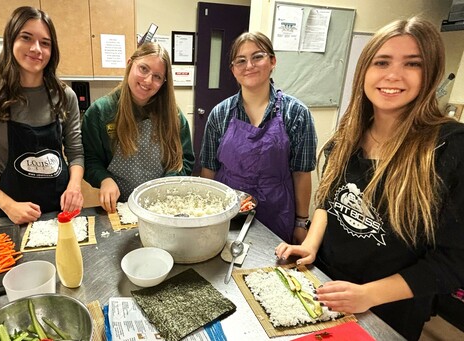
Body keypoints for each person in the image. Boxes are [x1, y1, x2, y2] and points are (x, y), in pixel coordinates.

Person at [274, 17, 464, 341]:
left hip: (389, 312)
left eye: (412, 64)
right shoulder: (347, 138)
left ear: (430, 72)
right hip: (324, 287)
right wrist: (310, 244)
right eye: (382, 62)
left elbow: (452, 263)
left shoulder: (449, 148)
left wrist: (368, 295)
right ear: (365, 70)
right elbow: (328, 200)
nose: (392, 75)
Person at [0, 6, 84, 224]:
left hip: (62, 210)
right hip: (14, 213)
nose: (36, 49)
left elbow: (75, 153)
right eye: (26, 38)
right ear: (10, 41)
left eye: (45, 43)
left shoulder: (65, 96)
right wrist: (9, 206)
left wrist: (74, 187)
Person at [199, 32, 317, 244]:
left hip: (277, 211)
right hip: (228, 211)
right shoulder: (220, 114)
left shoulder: (297, 113)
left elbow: (301, 173)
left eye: (257, 57)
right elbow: (209, 169)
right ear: (233, 70)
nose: (249, 65)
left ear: (272, 61)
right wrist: (207, 216)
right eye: (241, 61)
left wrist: (301, 223)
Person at [81, 42, 194, 213]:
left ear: (164, 82)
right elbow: (90, 160)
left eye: (157, 76)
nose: (148, 80)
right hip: (119, 207)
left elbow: (184, 159)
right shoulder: (100, 113)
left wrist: (166, 185)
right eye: (143, 69)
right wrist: (104, 179)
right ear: (129, 65)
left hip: (162, 206)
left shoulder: (174, 116)